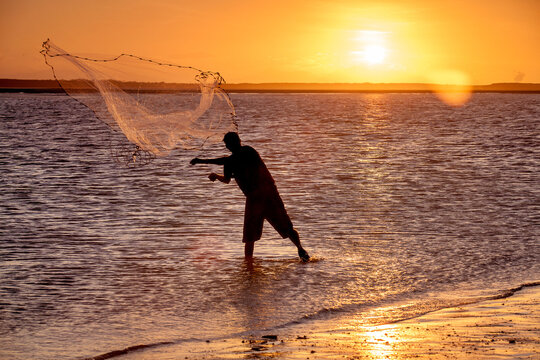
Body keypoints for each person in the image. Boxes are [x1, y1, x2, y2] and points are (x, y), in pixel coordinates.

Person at [190, 132, 310, 262]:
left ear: (236, 142)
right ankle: (296, 250)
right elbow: (227, 179)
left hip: (260, 197)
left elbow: (228, 163)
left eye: (228, 144)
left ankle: (296, 250)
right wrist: (216, 175)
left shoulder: (246, 152)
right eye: (226, 145)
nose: (227, 147)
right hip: (266, 195)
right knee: (254, 235)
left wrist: (202, 161)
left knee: (256, 235)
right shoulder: (237, 157)